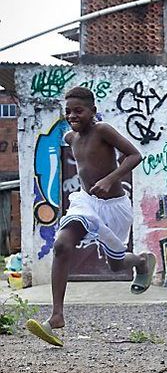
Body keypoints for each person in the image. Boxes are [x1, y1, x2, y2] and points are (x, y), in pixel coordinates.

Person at [26, 87, 156, 347]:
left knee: (116, 265)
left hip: (114, 207)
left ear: (93, 112)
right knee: (62, 245)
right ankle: (57, 315)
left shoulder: (103, 130)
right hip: (86, 202)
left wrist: (111, 179)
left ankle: (141, 262)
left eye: (78, 111)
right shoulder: (69, 138)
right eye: (68, 112)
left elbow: (135, 155)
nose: (72, 116)